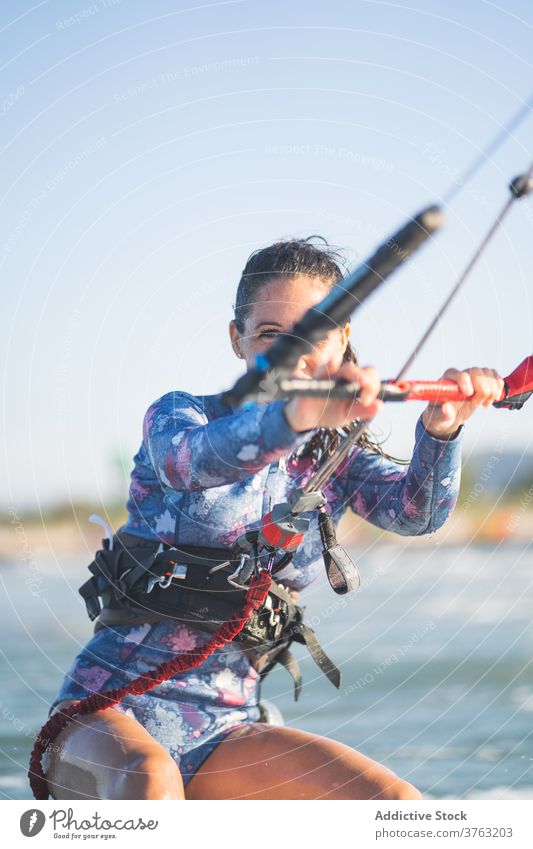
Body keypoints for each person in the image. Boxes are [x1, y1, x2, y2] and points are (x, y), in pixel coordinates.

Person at [44, 238, 504, 801]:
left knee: (396, 807)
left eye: (316, 335)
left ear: (343, 341)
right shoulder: (180, 416)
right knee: (152, 781)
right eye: (270, 336)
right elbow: (195, 461)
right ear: (237, 339)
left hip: (223, 734)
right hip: (106, 717)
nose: (297, 356)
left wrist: (442, 431)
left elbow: (416, 515)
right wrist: (295, 416)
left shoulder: (334, 457)